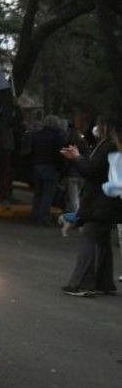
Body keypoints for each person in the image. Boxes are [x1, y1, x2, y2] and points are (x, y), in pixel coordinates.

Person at [59, 113, 122, 296]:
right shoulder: (112, 146)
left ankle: (81, 284)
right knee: (102, 242)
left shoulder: (108, 146)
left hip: (99, 203)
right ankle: (104, 283)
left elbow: (91, 170)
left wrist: (77, 158)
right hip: (107, 201)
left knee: (89, 239)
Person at [28, 115, 67, 225]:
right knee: (48, 193)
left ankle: (35, 216)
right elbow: (59, 154)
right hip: (50, 167)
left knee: (38, 193)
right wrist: (61, 169)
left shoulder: (37, 135)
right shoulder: (57, 136)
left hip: (37, 166)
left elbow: (31, 151)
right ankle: (43, 217)